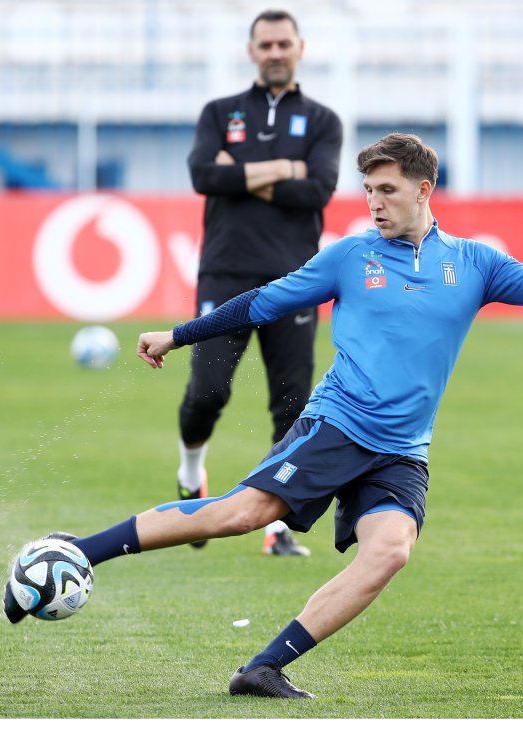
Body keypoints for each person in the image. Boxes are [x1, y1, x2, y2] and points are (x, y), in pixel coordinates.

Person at [3, 133, 523, 699]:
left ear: (424, 189)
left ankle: (263, 668)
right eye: (369, 190)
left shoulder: (475, 264)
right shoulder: (352, 257)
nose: (374, 202)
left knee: (391, 552)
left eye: (387, 190)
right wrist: (177, 336)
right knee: (242, 515)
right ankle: (78, 549)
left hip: (403, 449)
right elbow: (260, 303)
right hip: (337, 426)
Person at [178, 8, 342, 556]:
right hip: (225, 272)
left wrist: (242, 172)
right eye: (265, 44)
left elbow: (317, 190)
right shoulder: (219, 112)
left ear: (300, 48)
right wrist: (284, 168)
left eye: (283, 43)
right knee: (207, 391)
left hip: (296, 279)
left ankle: (275, 529)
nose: (275, 52)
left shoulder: (322, 121)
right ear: (251, 51)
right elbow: (204, 175)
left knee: (292, 406)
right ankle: (190, 471)